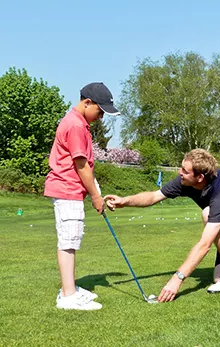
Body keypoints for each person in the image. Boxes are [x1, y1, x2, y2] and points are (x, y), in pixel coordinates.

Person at [104, 149, 220, 302]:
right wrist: (124, 201)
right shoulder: (185, 181)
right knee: (218, 279)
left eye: (184, 170)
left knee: (208, 213)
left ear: (200, 177)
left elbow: (205, 244)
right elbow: (154, 196)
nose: (180, 172)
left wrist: (178, 278)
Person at [44, 82, 120, 310]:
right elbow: (80, 164)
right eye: (100, 111)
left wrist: (96, 191)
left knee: (72, 238)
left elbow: (86, 164)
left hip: (71, 189)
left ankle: (71, 289)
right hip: (67, 188)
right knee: (68, 240)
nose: (101, 117)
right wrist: (96, 198)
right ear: (87, 102)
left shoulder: (79, 124)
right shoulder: (76, 126)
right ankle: (67, 296)